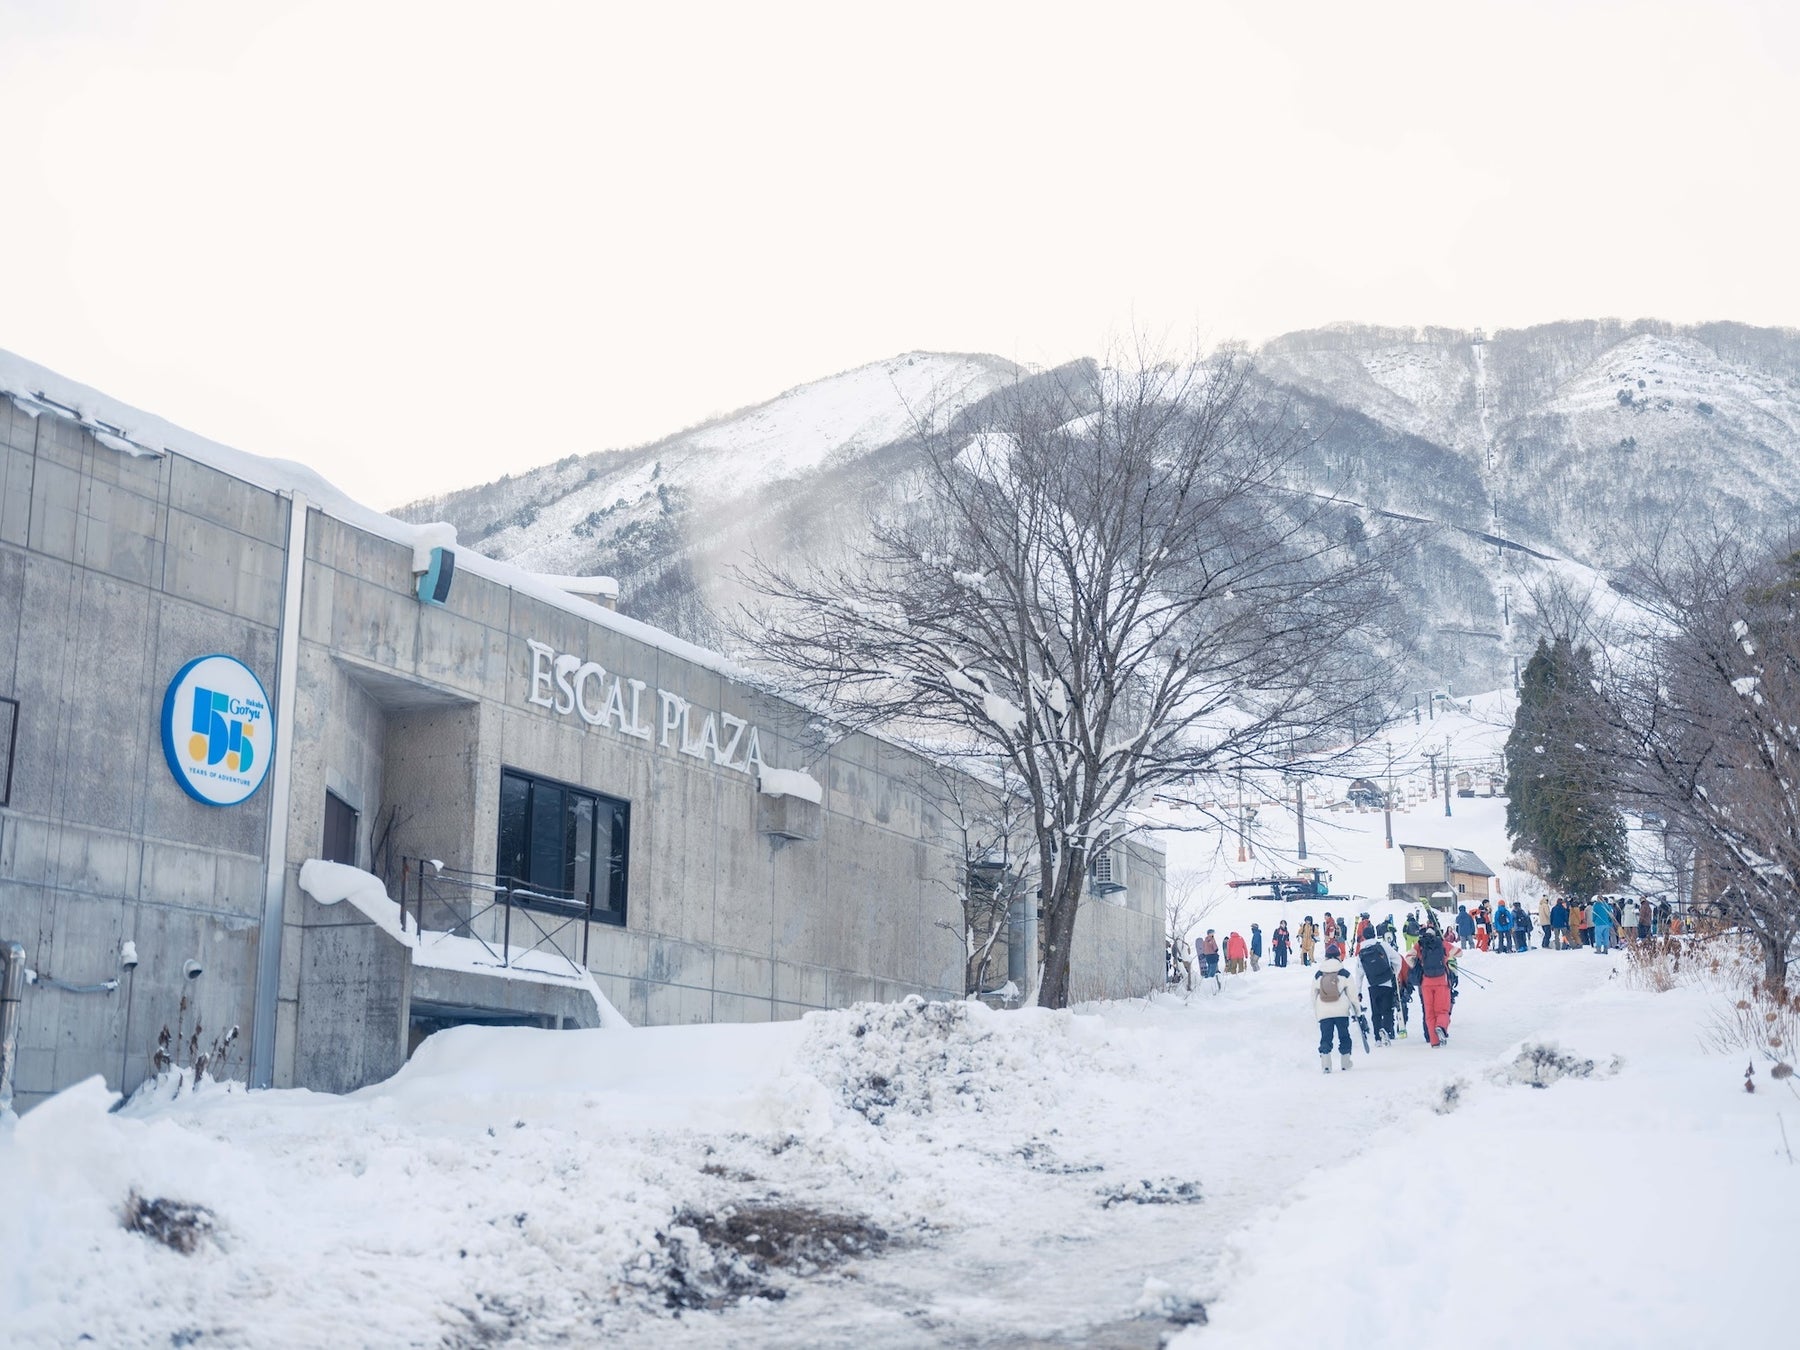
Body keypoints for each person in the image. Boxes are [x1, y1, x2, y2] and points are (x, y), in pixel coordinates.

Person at [1312, 941, 1364, 1073]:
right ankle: (1345, 1062)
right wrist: (1358, 1012)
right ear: (1338, 956)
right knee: (1344, 1036)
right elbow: (1353, 996)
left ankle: (1326, 1064)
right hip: (1341, 1011)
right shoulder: (1344, 973)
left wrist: (1317, 1013)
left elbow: (1313, 995)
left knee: (1326, 1037)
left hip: (1324, 1012)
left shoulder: (1319, 974)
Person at [1412, 920, 1455, 1047]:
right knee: (1442, 1010)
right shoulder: (1441, 943)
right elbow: (1459, 952)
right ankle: (1441, 1027)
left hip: (1425, 982)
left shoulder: (1419, 945)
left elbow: (1409, 957)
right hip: (1441, 981)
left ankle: (1434, 1041)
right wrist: (1446, 958)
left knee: (1429, 1012)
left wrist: (1418, 964)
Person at [1357, 925, 1402, 1045]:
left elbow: (1359, 973)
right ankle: (1387, 1031)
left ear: (1364, 937)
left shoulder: (1361, 952)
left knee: (1375, 1012)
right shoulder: (1383, 946)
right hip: (1386, 982)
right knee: (1387, 1010)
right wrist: (1395, 974)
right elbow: (1398, 959)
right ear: (1375, 934)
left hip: (1372, 984)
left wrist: (1359, 991)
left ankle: (1377, 1037)